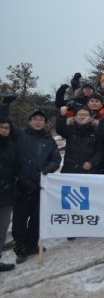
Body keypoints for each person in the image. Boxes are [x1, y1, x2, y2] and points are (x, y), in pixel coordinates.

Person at [9, 109, 61, 263]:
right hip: (22, 184)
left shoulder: (48, 139)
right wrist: (4, 109)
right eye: (35, 119)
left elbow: (56, 158)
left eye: (41, 119)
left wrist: (49, 168)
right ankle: (21, 248)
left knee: (37, 218)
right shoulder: (20, 135)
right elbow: (7, 126)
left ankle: (32, 245)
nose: (38, 121)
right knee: (20, 218)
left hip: (41, 185)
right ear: (29, 121)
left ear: (45, 123)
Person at [56, 106, 102, 173]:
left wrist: (92, 162)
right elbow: (60, 129)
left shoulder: (96, 131)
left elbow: (100, 151)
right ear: (75, 117)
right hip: (70, 169)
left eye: (85, 115)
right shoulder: (70, 130)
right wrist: (62, 116)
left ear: (90, 118)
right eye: (80, 115)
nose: (82, 117)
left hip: (90, 170)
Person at [0, 115, 17, 271]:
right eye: (1, 127)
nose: (4, 130)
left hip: (6, 195)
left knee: (2, 229)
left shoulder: (12, 146)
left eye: (7, 128)